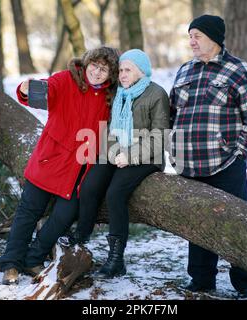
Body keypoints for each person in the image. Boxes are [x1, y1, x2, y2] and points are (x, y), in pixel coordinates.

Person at [0, 46, 120, 285]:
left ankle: (33, 258)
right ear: (86, 64)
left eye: (103, 69)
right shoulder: (66, 80)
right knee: (28, 213)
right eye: (94, 65)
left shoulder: (110, 97)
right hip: (49, 160)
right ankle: (10, 263)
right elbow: (42, 91)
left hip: (77, 171)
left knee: (63, 216)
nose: (96, 72)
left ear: (110, 74)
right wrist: (26, 89)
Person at [169, 15, 247, 298]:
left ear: (214, 38)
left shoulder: (236, 69)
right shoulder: (185, 70)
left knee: (237, 225)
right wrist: (172, 147)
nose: (191, 42)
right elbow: (172, 113)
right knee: (197, 224)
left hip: (226, 163)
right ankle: (201, 280)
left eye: (197, 36)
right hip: (189, 165)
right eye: (190, 36)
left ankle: (245, 284)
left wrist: (241, 153)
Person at [66, 49, 170, 278]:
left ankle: (116, 260)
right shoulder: (119, 93)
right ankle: (81, 238)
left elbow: (159, 136)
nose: (122, 74)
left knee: (114, 193)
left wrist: (130, 156)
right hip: (117, 152)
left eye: (127, 70)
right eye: (120, 70)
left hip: (146, 157)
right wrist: (114, 152)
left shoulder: (157, 94)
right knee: (91, 185)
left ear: (141, 72)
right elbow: (110, 130)